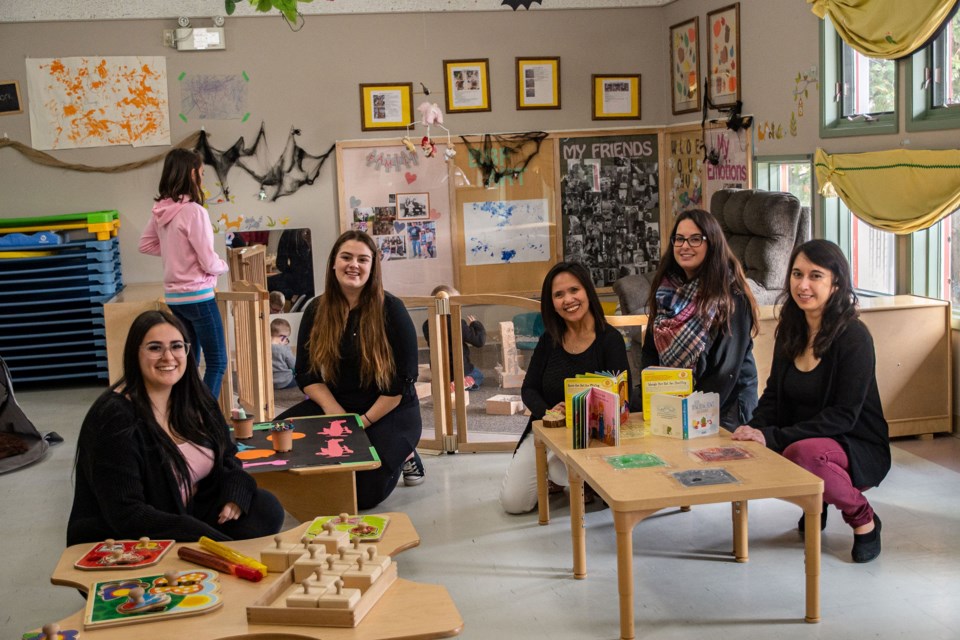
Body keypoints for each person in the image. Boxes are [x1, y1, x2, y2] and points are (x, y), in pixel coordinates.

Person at [67, 310, 284, 545]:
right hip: (130, 534)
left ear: (187, 351)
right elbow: (126, 513)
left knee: (265, 507)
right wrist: (202, 538)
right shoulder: (114, 417)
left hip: (187, 513)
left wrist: (235, 493)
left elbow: (228, 457)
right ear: (135, 355)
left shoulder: (196, 398)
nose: (168, 357)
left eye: (176, 346)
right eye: (154, 348)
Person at [732, 240, 890, 563]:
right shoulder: (791, 329)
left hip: (854, 443)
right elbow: (774, 395)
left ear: (836, 284)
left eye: (815, 276)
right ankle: (817, 500)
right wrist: (753, 430)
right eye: (797, 274)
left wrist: (773, 437)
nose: (803, 285)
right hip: (807, 437)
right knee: (766, 445)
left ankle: (864, 518)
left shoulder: (855, 337)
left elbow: (844, 417)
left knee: (801, 453)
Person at [276, 231, 424, 507]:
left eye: (362, 259)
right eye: (346, 257)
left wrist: (360, 424)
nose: (353, 264)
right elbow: (306, 373)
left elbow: (401, 384)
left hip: (389, 410)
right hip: (338, 405)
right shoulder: (316, 309)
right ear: (333, 263)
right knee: (275, 442)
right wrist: (335, 413)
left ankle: (406, 454)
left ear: (372, 267)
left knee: (362, 493)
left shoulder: (392, 310)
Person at [500, 262, 629, 514]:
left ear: (587, 292)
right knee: (513, 503)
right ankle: (559, 475)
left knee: (604, 496)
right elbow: (529, 389)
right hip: (550, 431)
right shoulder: (549, 339)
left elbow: (625, 397)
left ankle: (569, 476)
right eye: (559, 295)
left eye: (574, 290)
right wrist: (549, 412)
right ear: (552, 303)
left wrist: (586, 411)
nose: (568, 299)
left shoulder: (610, 340)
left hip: (596, 438)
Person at [636, 208, 759, 429]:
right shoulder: (665, 290)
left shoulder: (732, 296)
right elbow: (650, 351)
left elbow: (724, 371)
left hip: (727, 405)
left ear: (711, 243)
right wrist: (656, 396)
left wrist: (687, 411)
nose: (685, 246)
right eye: (680, 239)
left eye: (695, 239)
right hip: (675, 401)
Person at [139, 148, 229, 398]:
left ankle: (183, 417)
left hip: (175, 299)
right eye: (201, 173)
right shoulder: (194, 212)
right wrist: (224, 265)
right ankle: (204, 420)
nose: (202, 178)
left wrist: (175, 253)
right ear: (192, 174)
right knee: (218, 362)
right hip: (199, 297)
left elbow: (145, 244)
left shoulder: (160, 209)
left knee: (187, 364)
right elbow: (209, 262)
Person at [422, 285, 486, 391]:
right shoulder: (457, 323)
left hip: (439, 371)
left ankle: (443, 384)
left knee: (442, 375)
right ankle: (461, 383)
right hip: (459, 370)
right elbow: (479, 341)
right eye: (458, 304)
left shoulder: (427, 325)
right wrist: (475, 324)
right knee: (478, 375)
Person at [267, 228, 315, 304]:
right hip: (316, 283)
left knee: (266, 283)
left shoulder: (288, 232)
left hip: (295, 282)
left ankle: (292, 296)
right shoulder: (318, 230)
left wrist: (293, 272)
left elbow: (280, 264)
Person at [270, 318, 298, 390]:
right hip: (286, 381)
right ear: (282, 338)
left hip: (271, 383)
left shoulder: (264, 348)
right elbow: (294, 364)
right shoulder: (285, 349)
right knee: (301, 379)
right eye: (286, 338)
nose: (286, 341)